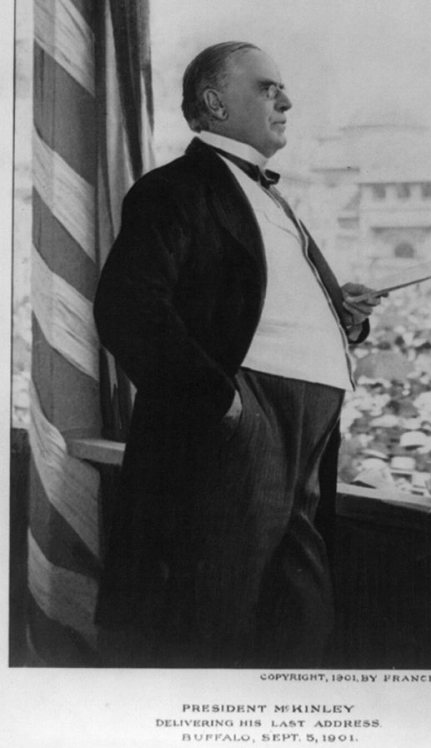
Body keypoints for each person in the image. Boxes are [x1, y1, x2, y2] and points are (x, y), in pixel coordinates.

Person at [93, 41, 382, 668]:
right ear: (214, 102)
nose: (286, 99)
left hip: (312, 424)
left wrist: (343, 314)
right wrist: (222, 403)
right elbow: (126, 307)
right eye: (265, 87)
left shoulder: (275, 201)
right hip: (247, 417)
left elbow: (261, 296)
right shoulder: (173, 189)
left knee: (300, 612)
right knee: (214, 613)